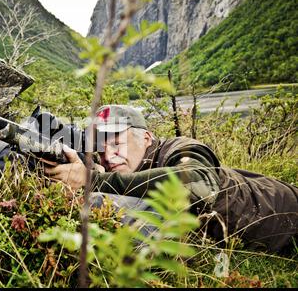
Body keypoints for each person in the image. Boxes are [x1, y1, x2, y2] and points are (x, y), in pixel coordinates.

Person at [42, 105, 298, 254]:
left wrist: (94, 181)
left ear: (147, 138)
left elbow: (197, 186)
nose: (109, 154)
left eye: (117, 142)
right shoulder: (130, 167)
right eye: (101, 147)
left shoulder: (180, 148)